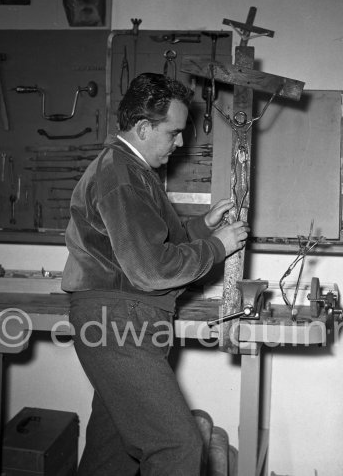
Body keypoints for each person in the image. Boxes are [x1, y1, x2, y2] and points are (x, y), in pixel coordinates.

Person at [62, 72, 249, 475]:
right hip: (118, 321)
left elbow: (151, 244)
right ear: (144, 128)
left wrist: (203, 227)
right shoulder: (122, 175)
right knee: (177, 446)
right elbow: (149, 268)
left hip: (124, 319)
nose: (180, 143)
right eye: (174, 133)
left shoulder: (131, 169)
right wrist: (218, 247)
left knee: (111, 454)